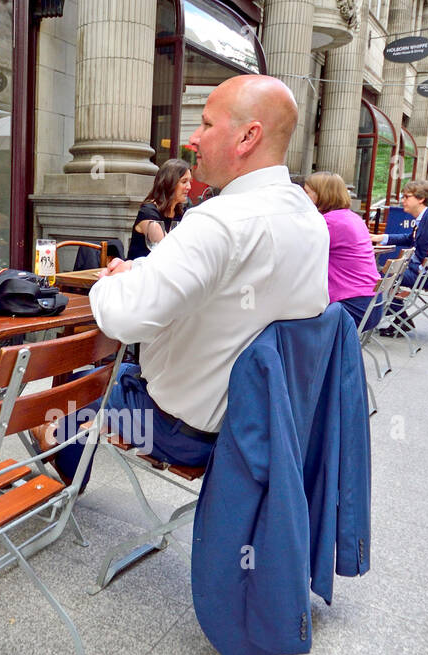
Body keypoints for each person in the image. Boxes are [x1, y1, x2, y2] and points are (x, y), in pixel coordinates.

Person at [40, 74, 330, 485]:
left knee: (72, 393)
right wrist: (140, 272)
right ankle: (65, 457)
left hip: (180, 431)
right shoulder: (309, 219)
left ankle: (61, 466)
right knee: (105, 383)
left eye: (208, 124)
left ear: (248, 136)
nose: (194, 137)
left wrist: (108, 280)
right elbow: (219, 285)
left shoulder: (220, 220)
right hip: (263, 428)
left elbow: (126, 319)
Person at [372, 179, 428, 336]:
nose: (402, 200)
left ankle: (392, 320)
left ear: (421, 198)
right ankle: (401, 320)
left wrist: (421, 268)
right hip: (423, 272)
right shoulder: (424, 218)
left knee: (379, 277)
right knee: (385, 275)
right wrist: (380, 237)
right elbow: (409, 238)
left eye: (406, 196)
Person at [303, 171, 385, 331]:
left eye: (306, 192)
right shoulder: (352, 217)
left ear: (322, 194)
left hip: (350, 306)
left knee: (283, 326)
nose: (302, 197)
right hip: (371, 304)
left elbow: (298, 253)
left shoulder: (329, 222)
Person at [128, 159, 192, 259]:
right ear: (169, 183)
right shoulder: (148, 212)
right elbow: (167, 249)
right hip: (141, 271)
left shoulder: (179, 212)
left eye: (189, 182)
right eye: (184, 182)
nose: (189, 187)